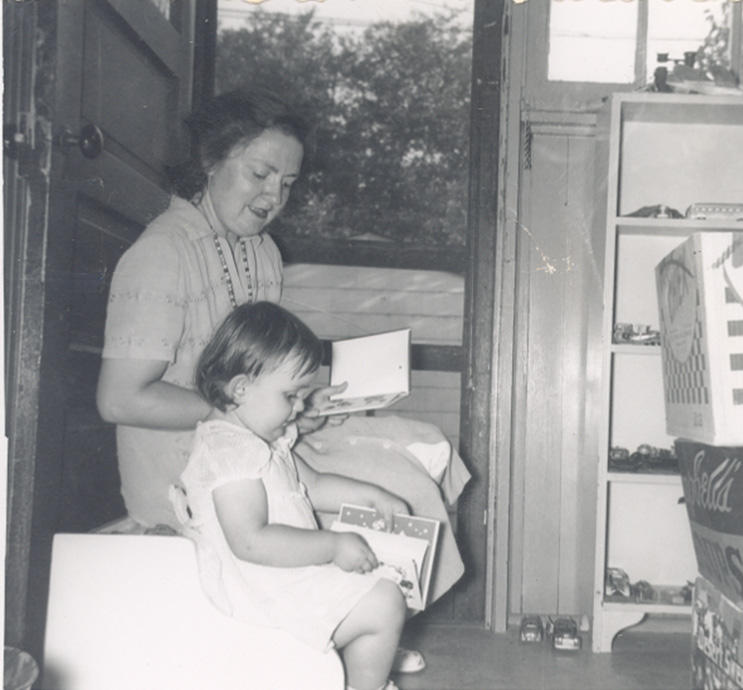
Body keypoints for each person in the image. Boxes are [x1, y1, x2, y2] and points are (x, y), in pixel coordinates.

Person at [96, 88, 469, 669]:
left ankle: (365, 621)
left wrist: (298, 404)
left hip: (259, 438)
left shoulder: (261, 251)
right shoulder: (161, 253)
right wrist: (246, 415)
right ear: (210, 161)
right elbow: (119, 398)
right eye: (260, 173)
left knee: (419, 446)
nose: (273, 196)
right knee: (389, 474)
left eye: (288, 183)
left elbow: (260, 369)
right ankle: (360, 625)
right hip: (194, 469)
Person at [170, 301, 406, 690]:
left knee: (382, 593)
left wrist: (372, 495)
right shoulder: (231, 454)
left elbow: (310, 484)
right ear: (241, 388)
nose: (299, 408)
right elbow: (250, 540)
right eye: (290, 396)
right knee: (384, 603)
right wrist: (332, 545)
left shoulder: (255, 439)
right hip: (258, 595)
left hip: (279, 579)